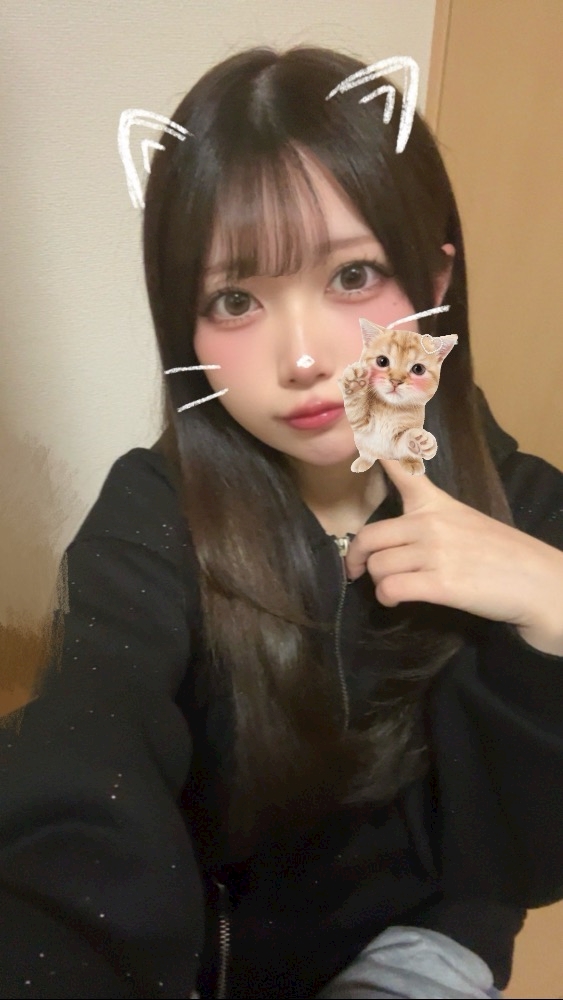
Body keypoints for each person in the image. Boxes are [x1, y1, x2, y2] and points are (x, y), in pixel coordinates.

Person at [1, 44, 562, 1000]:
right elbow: (85, 752)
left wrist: (551, 614)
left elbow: (522, 860)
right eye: (234, 300)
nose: (300, 358)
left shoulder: (531, 512)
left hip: (426, 938)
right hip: (215, 959)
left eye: (353, 276)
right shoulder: (155, 514)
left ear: (435, 280)